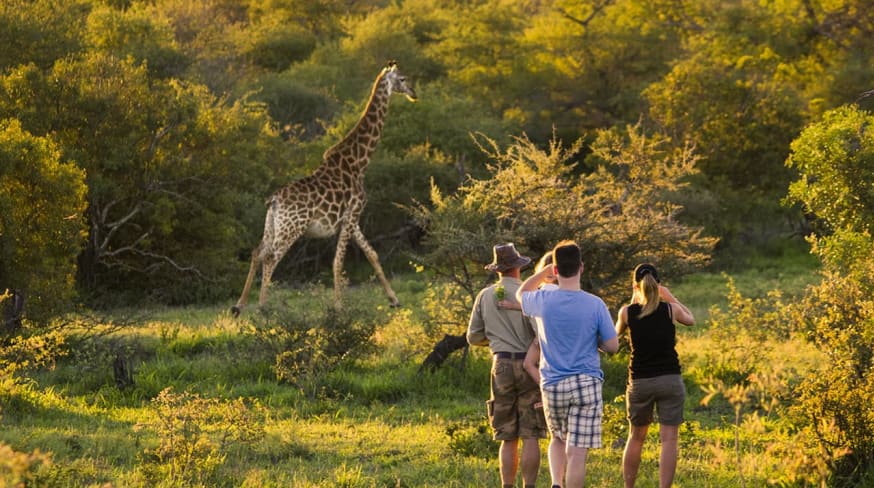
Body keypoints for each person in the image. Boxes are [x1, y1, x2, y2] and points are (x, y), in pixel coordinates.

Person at [517, 240, 619, 488]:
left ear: (555, 269)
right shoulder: (595, 304)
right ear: (581, 267)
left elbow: (521, 294)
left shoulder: (541, 300)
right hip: (586, 382)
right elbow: (613, 346)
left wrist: (543, 272)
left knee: (557, 439)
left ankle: (556, 483)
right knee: (577, 453)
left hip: (552, 383)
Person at [467, 243, 547, 488]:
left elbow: (472, 337)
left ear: (498, 270)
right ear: (518, 268)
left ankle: (507, 485)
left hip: (500, 363)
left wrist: (494, 340)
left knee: (507, 434)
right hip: (528, 364)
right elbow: (540, 334)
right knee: (531, 432)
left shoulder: (485, 295)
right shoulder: (530, 295)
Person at [614, 263, 695, 488]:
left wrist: (633, 301)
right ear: (659, 285)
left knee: (636, 438)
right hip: (670, 379)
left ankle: (629, 486)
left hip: (640, 382)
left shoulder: (626, 312)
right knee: (669, 440)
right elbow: (691, 319)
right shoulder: (670, 310)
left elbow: (613, 338)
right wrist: (671, 297)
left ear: (635, 286)